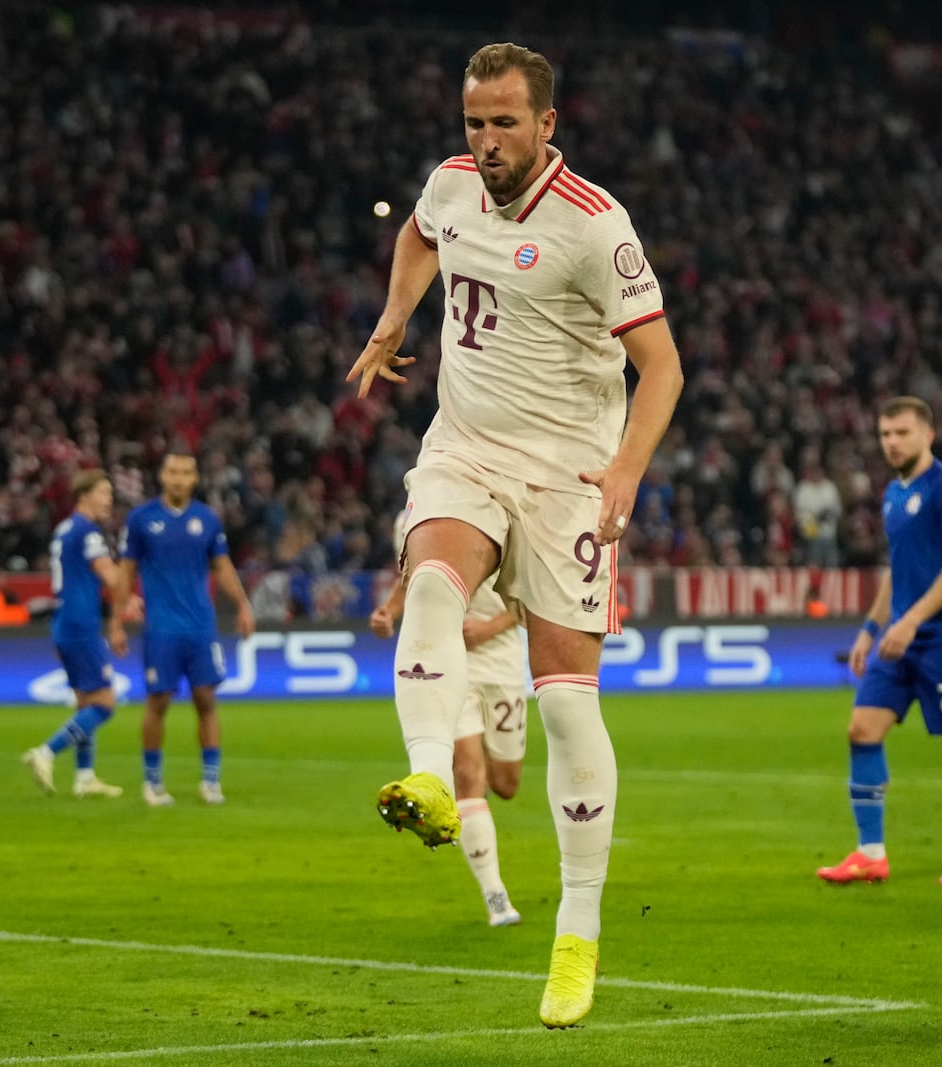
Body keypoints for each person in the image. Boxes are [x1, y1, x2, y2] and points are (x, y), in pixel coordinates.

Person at [345, 42, 684, 1028]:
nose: (485, 141)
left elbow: (660, 366)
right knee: (432, 578)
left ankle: (575, 932)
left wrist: (625, 466)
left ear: (546, 125)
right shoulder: (449, 188)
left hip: (570, 478)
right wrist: (394, 314)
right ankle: (425, 775)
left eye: (503, 123)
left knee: (569, 706)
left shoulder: (593, 225)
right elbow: (416, 237)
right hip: (466, 448)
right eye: (472, 123)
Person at [817, 396, 942, 888]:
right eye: (885, 434)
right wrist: (871, 628)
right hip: (898, 640)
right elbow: (899, 573)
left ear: (928, 434)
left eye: (901, 432)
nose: (892, 442)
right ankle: (869, 853)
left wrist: (910, 623)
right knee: (862, 729)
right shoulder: (894, 493)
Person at [372, 513, 528, 928]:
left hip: (503, 661)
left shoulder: (507, 505)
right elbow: (415, 576)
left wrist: (491, 627)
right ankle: (496, 896)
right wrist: (389, 611)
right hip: (443, 656)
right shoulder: (412, 515)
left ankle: (473, 814)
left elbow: (530, 591)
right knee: (467, 771)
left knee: (506, 783)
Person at [114, 451, 255, 807]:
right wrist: (116, 618)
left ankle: (210, 782)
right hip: (161, 627)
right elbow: (126, 571)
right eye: (172, 471)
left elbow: (221, 566)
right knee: (158, 701)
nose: (178, 478)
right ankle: (153, 782)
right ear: (162, 476)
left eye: (186, 472)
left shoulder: (207, 519)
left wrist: (242, 604)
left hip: (200, 626)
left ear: (195, 479)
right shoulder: (141, 519)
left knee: (206, 700)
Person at [21, 470, 130, 799]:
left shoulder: (64, 529)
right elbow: (108, 573)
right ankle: (46, 752)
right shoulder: (87, 531)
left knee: (86, 703)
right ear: (84, 496)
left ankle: (85, 777)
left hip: (65, 622)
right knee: (105, 705)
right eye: (103, 493)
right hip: (81, 624)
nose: (109, 500)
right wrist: (131, 598)